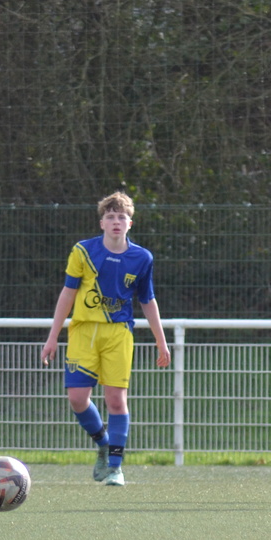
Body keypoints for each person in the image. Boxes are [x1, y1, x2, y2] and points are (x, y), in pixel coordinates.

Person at [40, 191, 170, 486]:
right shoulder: (83, 251)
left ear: (130, 224)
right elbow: (68, 293)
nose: (116, 222)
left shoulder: (142, 258)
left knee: (116, 400)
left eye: (121, 217)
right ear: (102, 223)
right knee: (77, 399)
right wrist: (53, 336)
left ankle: (115, 467)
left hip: (118, 334)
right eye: (110, 217)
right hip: (83, 331)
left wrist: (161, 341)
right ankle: (103, 441)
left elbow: (147, 300)